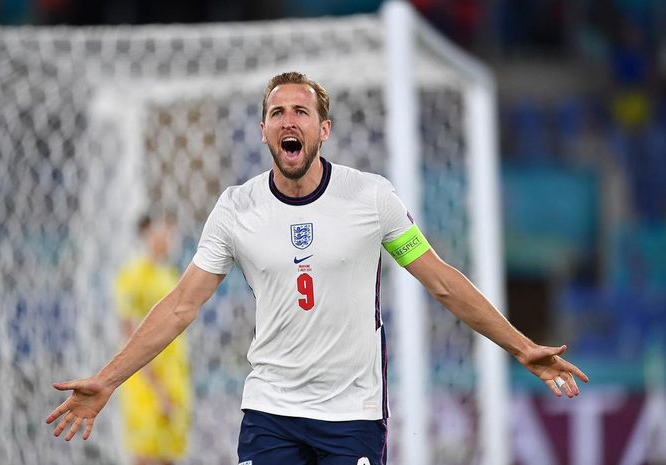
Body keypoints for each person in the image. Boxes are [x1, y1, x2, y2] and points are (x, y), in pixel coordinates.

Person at [46, 71, 589, 465]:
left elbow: (443, 283)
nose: (289, 121)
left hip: (352, 413)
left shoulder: (371, 198)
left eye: (301, 111)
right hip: (270, 410)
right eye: (277, 112)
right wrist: (107, 380)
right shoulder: (236, 208)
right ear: (263, 131)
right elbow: (182, 305)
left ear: (323, 129)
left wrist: (521, 346)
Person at [112, 213, 191, 465]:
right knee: (145, 457)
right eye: (162, 230)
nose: (168, 237)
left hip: (173, 379)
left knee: (168, 457)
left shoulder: (168, 273)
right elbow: (129, 333)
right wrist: (156, 388)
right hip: (146, 385)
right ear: (146, 233)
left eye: (170, 230)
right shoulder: (134, 275)